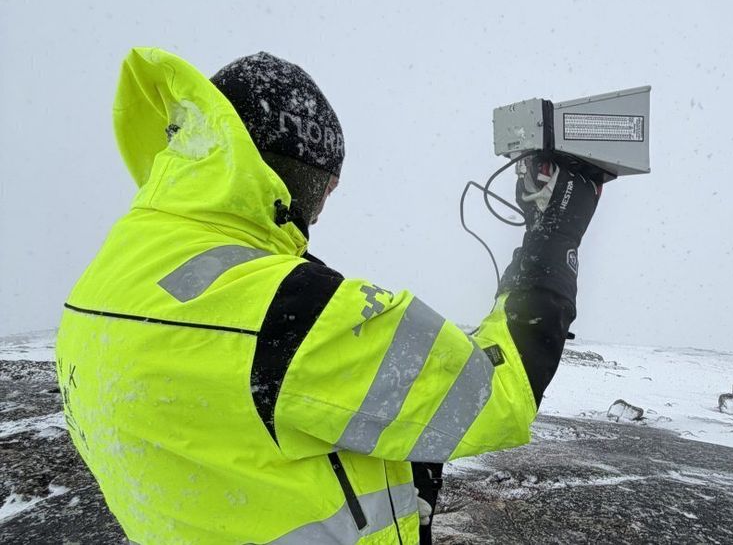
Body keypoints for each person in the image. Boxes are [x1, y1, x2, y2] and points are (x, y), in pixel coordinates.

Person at [56, 47, 601, 544]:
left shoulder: (108, 277)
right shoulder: (290, 314)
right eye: (327, 187)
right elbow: (497, 394)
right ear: (303, 181)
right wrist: (554, 238)